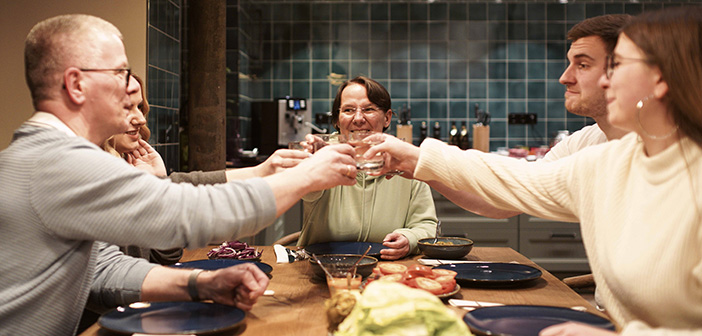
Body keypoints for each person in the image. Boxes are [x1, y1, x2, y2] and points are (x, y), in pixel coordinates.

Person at [0, 14, 358, 335]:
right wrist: (308, 175)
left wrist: (199, 284)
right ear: (76, 85)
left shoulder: (49, 155)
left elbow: (100, 269)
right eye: (120, 73)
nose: (131, 88)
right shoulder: (59, 161)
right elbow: (188, 213)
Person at [366, 6, 702, 335]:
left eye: (617, 65)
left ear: (660, 79)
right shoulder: (610, 160)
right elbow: (522, 183)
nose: (605, 80)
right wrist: (417, 158)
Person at [428, 14, 631, 219]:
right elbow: (507, 199)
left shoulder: (655, 152)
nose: (564, 78)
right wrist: (419, 165)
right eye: (570, 64)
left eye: (583, 65)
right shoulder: (582, 144)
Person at [104, 74, 311, 265]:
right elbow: (115, 275)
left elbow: (165, 255)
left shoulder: (130, 166)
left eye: (140, 107)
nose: (141, 119)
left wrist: (158, 183)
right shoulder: (101, 178)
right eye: (127, 107)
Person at [299, 76, 438, 260]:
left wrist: (409, 239)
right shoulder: (323, 156)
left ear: (387, 118)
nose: (358, 118)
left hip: (388, 270)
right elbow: (307, 191)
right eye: (348, 110)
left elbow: (426, 225)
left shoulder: (405, 161)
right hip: (321, 268)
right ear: (337, 120)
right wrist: (313, 164)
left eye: (369, 109)